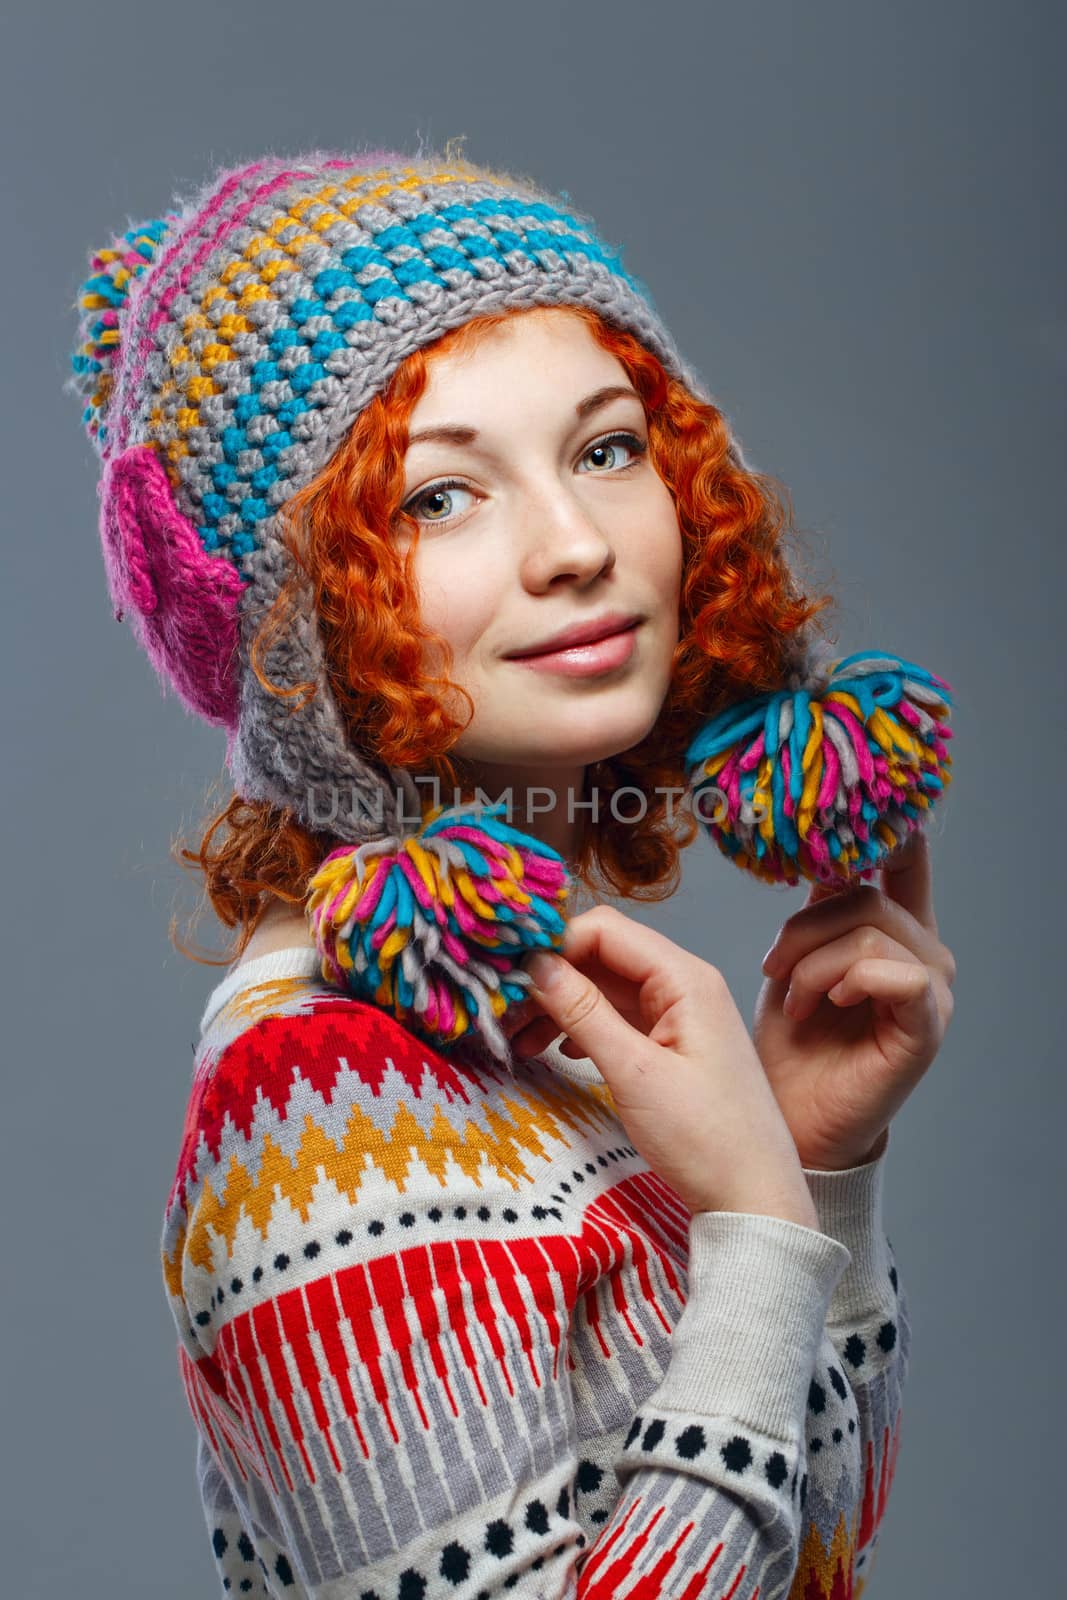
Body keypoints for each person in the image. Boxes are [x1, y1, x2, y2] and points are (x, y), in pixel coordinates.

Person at [68, 148, 955, 1599]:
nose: (576, 545)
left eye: (609, 450)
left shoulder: (540, 1022)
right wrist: (755, 1235)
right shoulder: (319, 1104)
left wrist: (815, 1173)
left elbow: (818, 1557)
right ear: (296, 623)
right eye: (437, 497)